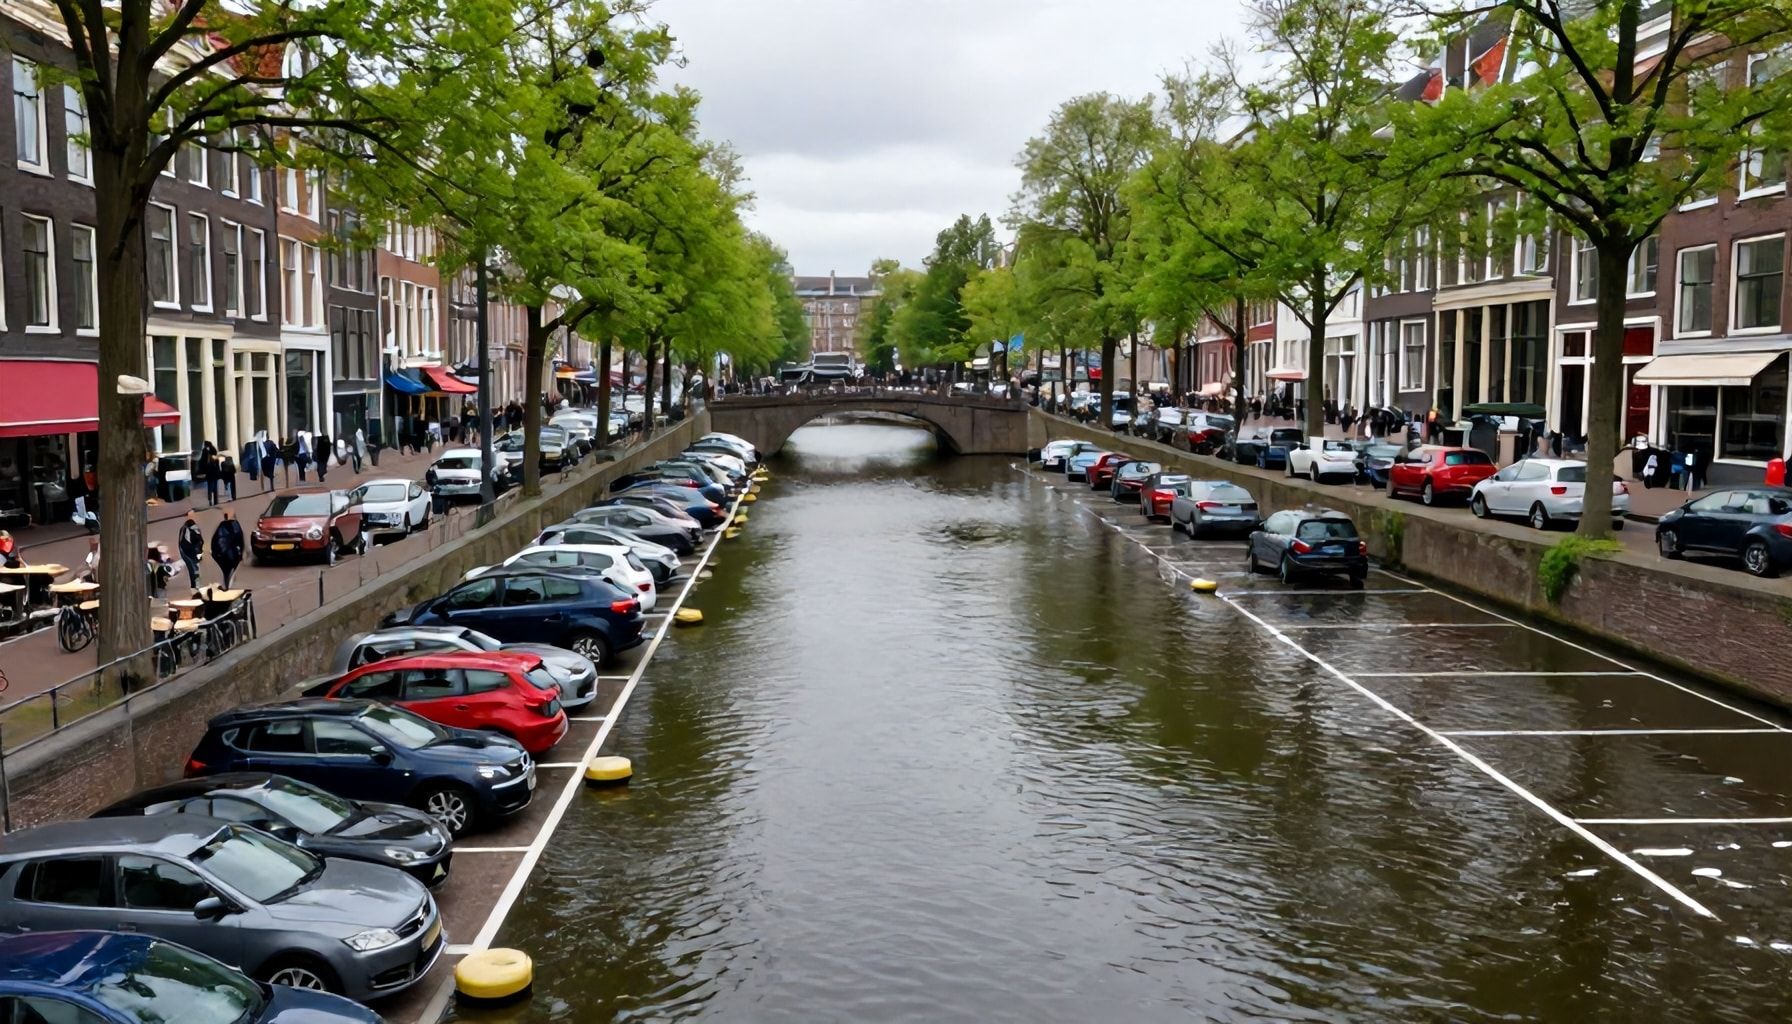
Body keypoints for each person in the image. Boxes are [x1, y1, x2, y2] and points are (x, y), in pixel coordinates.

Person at [211, 510, 245, 588]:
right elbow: (240, 539)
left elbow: (214, 540)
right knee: (230, 569)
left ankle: (227, 583)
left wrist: (214, 552)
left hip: (222, 553)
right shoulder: (235, 525)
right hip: (232, 554)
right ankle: (228, 583)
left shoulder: (221, 526)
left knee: (226, 571)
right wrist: (241, 553)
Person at [177, 511, 205, 590]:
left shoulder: (184, 529)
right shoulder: (192, 530)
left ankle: (194, 586)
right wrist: (198, 553)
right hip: (189, 551)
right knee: (195, 569)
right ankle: (196, 586)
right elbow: (199, 541)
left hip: (185, 551)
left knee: (192, 569)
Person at [200, 440, 220, 506]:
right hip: (215, 471)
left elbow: (203, 462)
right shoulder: (213, 450)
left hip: (209, 471)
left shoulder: (205, 452)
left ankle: (210, 500)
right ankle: (215, 500)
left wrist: (203, 470)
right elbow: (217, 462)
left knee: (210, 486)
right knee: (215, 486)